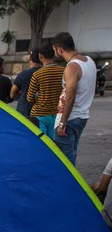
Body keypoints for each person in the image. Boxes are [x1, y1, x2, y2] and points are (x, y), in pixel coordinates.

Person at [52, 32, 97, 166]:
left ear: (59, 50)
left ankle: (67, 186)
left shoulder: (72, 67)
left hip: (69, 119)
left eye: (54, 50)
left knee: (64, 161)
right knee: (71, 153)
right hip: (81, 116)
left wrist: (62, 123)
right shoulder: (89, 61)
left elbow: (70, 97)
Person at [26, 44, 65, 139]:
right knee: (53, 143)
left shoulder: (37, 74)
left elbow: (29, 97)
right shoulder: (63, 71)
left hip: (39, 115)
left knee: (40, 142)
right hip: (56, 114)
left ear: (41, 56)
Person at [10, 49, 41, 117]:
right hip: (41, 113)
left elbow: (12, 94)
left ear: (30, 58)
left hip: (24, 111)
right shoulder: (45, 74)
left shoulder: (23, 75)